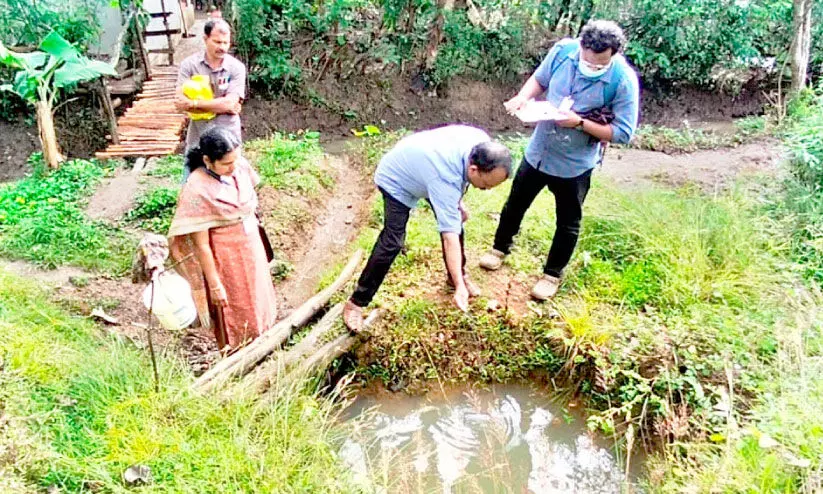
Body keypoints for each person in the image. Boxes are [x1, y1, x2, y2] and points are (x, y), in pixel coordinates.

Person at [479, 19, 640, 300]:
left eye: (598, 65)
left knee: (568, 221)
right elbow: (540, 79)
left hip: (575, 163)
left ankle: (552, 274)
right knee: (515, 203)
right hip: (539, 151)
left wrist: (579, 123)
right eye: (586, 60)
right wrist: (522, 97)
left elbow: (624, 132)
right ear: (580, 46)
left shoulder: (623, 81)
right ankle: (499, 248)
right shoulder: (563, 51)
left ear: (614, 54)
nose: (590, 66)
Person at [342, 125, 513, 332]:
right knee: (392, 242)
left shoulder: (479, 141)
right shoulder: (445, 178)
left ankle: (455, 275)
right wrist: (461, 288)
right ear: (473, 170)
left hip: (425, 168)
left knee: (455, 221)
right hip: (398, 178)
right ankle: (356, 303)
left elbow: (454, 193)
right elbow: (449, 236)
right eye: (485, 185)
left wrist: (456, 203)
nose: (485, 190)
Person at [168, 127, 277, 350]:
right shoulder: (196, 190)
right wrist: (215, 284)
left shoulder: (240, 166)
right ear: (208, 160)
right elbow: (202, 245)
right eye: (227, 164)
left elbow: (251, 194)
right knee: (236, 305)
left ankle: (267, 337)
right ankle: (241, 351)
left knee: (259, 295)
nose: (234, 167)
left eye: (235, 160)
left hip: (251, 247)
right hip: (226, 260)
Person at [175, 19, 246, 176]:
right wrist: (220, 105)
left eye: (226, 43)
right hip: (198, 133)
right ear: (205, 39)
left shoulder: (236, 68)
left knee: (230, 179)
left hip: (228, 135)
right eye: (217, 42)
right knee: (191, 178)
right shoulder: (189, 65)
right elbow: (179, 102)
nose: (222, 47)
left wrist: (193, 103)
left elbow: (230, 103)